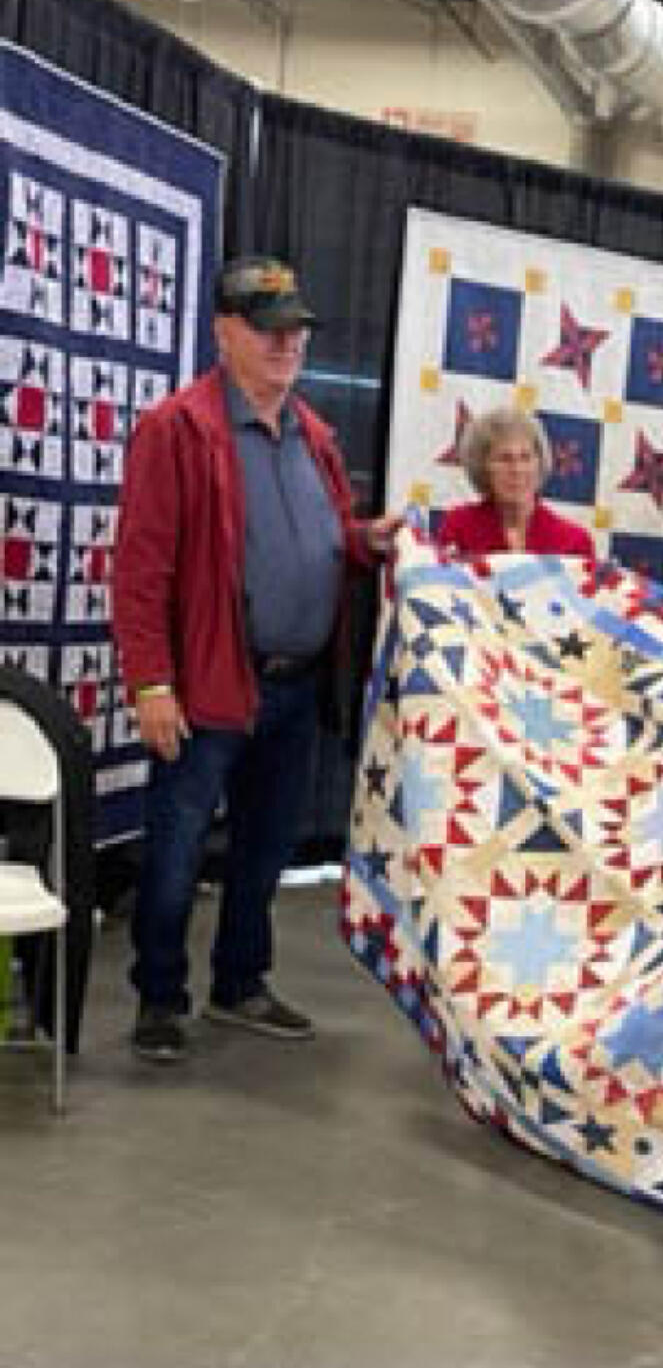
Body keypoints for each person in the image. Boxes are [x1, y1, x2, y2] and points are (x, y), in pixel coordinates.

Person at [112, 255, 399, 1064]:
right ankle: (159, 995)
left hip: (295, 684)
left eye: (296, 329)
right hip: (208, 681)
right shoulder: (177, 428)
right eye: (268, 329)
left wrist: (362, 541)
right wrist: (152, 682)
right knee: (175, 849)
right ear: (223, 332)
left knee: (265, 850)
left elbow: (323, 536)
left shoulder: (313, 435)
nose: (286, 344)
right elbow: (140, 570)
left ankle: (240, 980)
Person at [435, 406, 595, 557]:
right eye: (504, 459)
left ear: (539, 464)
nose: (517, 469)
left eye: (526, 458)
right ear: (482, 467)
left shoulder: (575, 541)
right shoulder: (459, 526)